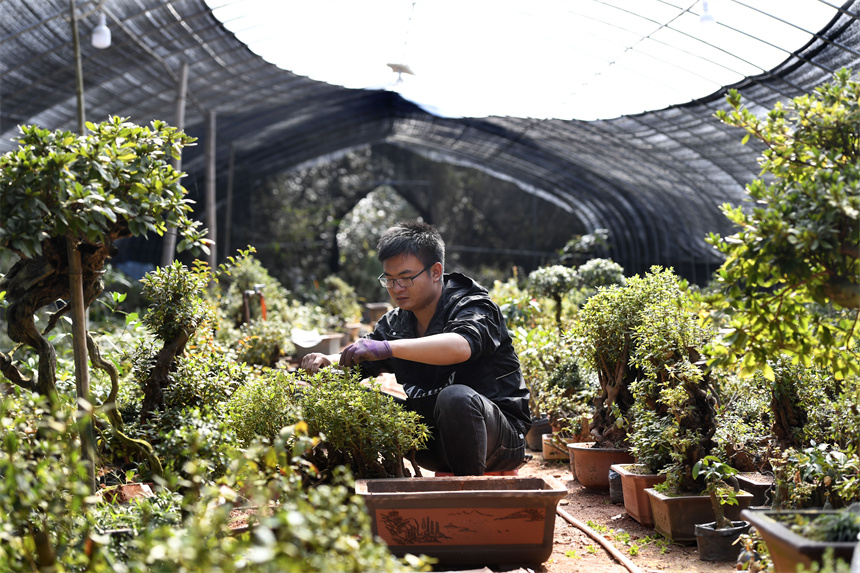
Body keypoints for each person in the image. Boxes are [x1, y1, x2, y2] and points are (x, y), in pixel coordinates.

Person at [301, 220, 531, 476]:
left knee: (455, 398)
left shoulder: (472, 305)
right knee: (353, 403)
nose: (396, 289)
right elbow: (362, 358)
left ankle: (466, 499)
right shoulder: (396, 322)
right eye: (389, 280)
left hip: (499, 442)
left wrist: (389, 348)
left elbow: (461, 346)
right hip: (433, 443)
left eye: (406, 278)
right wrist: (328, 361)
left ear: (435, 271)